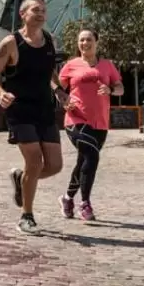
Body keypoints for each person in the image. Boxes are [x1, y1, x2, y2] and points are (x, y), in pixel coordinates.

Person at [0, 0, 69, 234]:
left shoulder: (51, 41)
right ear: (23, 14)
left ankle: (22, 179)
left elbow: (50, 71)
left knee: (54, 165)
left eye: (43, 10)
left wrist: (59, 91)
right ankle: (26, 216)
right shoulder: (11, 43)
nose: (40, 14)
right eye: (35, 10)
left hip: (44, 109)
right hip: (19, 111)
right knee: (35, 161)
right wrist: (0, 93)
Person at [57, 28, 123, 222]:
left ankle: (67, 198)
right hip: (75, 118)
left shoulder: (107, 65)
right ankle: (84, 204)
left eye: (88, 39)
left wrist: (110, 89)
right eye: (81, 40)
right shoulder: (71, 65)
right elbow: (56, 87)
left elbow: (120, 88)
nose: (85, 43)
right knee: (92, 156)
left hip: (100, 122)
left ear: (97, 42)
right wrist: (63, 100)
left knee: (83, 162)